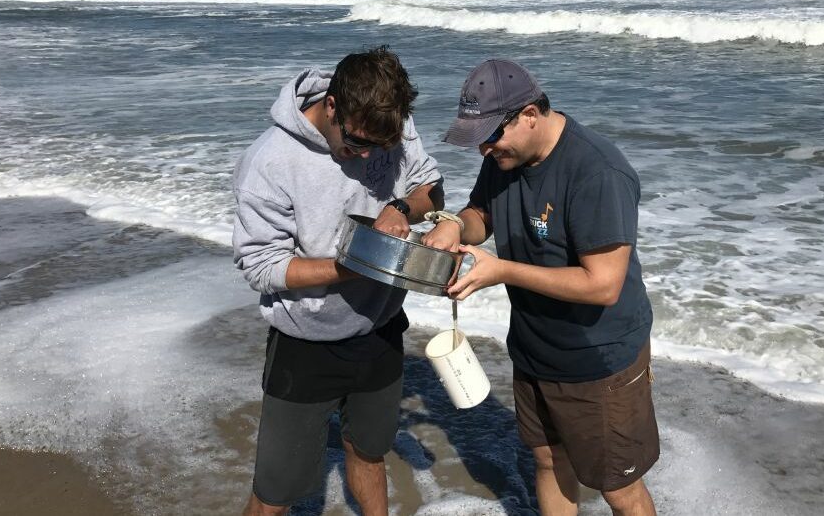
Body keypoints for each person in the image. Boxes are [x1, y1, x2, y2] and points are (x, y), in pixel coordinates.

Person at [422, 59, 659, 516]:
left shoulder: (597, 172)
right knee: (548, 462)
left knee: (619, 489)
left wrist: (502, 271)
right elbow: (482, 214)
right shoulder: (506, 157)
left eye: (492, 137)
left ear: (529, 114)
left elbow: (603, 285)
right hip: (533, 349)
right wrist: (454, 224)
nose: (485, 151)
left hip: (598, 359)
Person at [233, 46, 443, 516]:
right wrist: (353, 267)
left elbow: (430, 186)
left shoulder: (392, 124)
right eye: (355, 144)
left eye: (379, 149)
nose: (366, 156)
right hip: (305, 343)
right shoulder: (268, 162)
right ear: (332, 105)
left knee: (369, 451)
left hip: (382, 330)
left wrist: (402, 207)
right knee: (275, 489)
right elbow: (261, 267)